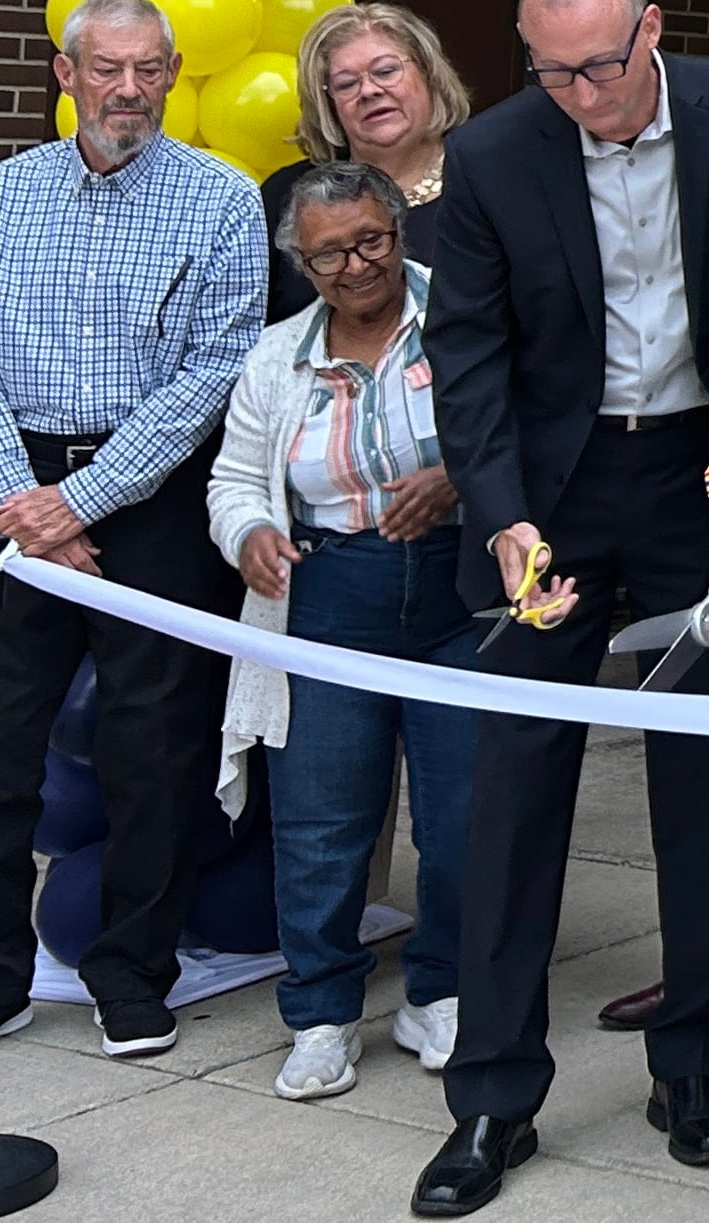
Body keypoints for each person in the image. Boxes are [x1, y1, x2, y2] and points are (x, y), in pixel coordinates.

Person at [413, 0, 709, 1214]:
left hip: (706, 475)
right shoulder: (485, 157)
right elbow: (469, 352)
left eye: (599, 68)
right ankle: (491, 1095)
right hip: (556, 493)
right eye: (551, 76)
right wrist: (502, 515)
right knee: (514, 785)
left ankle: (695, 1063)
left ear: (651, 30)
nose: (583, 98)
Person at [0, 0, 262, 1067]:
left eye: (149, 69)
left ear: (170, 73)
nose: (129, 90)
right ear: (65, 74)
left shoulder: (222, 201)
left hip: (148, 506)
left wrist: (83, 501)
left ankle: (130, 974)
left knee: (152, 753)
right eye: (106, 68)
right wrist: (27, 501)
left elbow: (214, 369)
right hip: (8, 489)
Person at [204, 159, 471, 1104]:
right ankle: (318, 1014)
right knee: (322, 821)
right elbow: (233, 479)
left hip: (456, 592)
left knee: (463, 816)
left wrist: (456, 480)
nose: (358, 265)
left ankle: (438, 989)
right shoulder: (276, 354)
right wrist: (251, 533)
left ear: (400, 230)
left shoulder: (467, 315)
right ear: (300, 261)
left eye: (373, 240)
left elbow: (521, 431)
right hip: (325, 593)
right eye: (329, 254)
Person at [262, 2, 473, 320]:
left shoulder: (486, 179)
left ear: (429, 74)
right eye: (347, 84)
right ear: (328, 104)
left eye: (386, 71)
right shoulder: (289, 196)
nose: (370, 91)